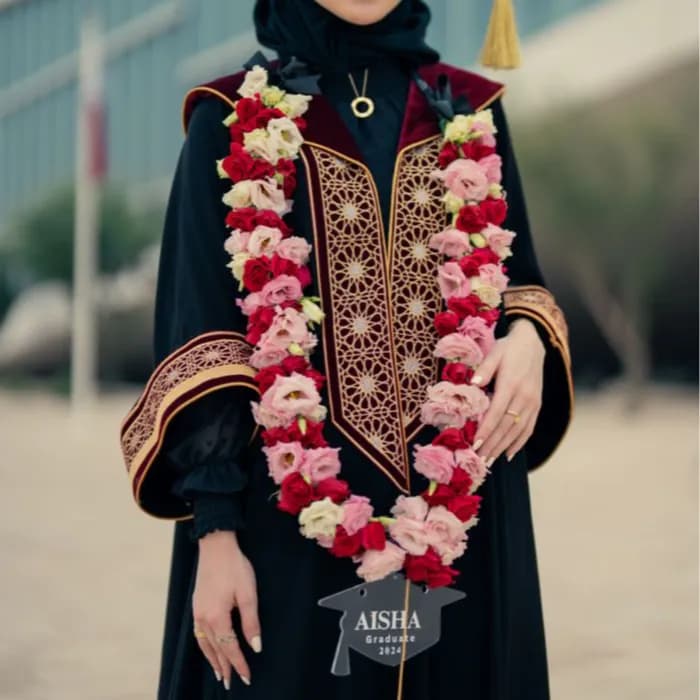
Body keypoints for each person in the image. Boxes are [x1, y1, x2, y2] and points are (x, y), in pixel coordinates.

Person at [119, 1, 574, 698]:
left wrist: (531, 336)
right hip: (286, 520)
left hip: (466, 507)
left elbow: (521, 285)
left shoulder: (468, 113)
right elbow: (201, 332)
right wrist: (214, 535)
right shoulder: (231, 121)